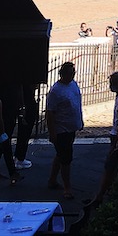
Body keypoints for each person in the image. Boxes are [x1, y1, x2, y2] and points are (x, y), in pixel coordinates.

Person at [86, 71, 118, 208]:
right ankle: (109, 190)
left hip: (117, 136)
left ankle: (100, 196)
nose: (110, 86)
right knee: (114, 166)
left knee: (110, 166)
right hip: (115, 134)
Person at [46, 61, 83, 200]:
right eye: (71, 73)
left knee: (61, 155)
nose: (73, 75)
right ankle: (67, 187)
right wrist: (52, 132)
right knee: (66, 158)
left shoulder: (73, 84)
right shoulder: (56, 91)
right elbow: (50, 113)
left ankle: (52, 180)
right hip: (61, 129)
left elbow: (77, 102)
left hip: (71, 127)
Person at [14, 84, 38, 170]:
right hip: (28, 106)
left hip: (25, 105)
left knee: (23, 133)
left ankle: (18, 155)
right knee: (25, 133)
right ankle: (20, 157)